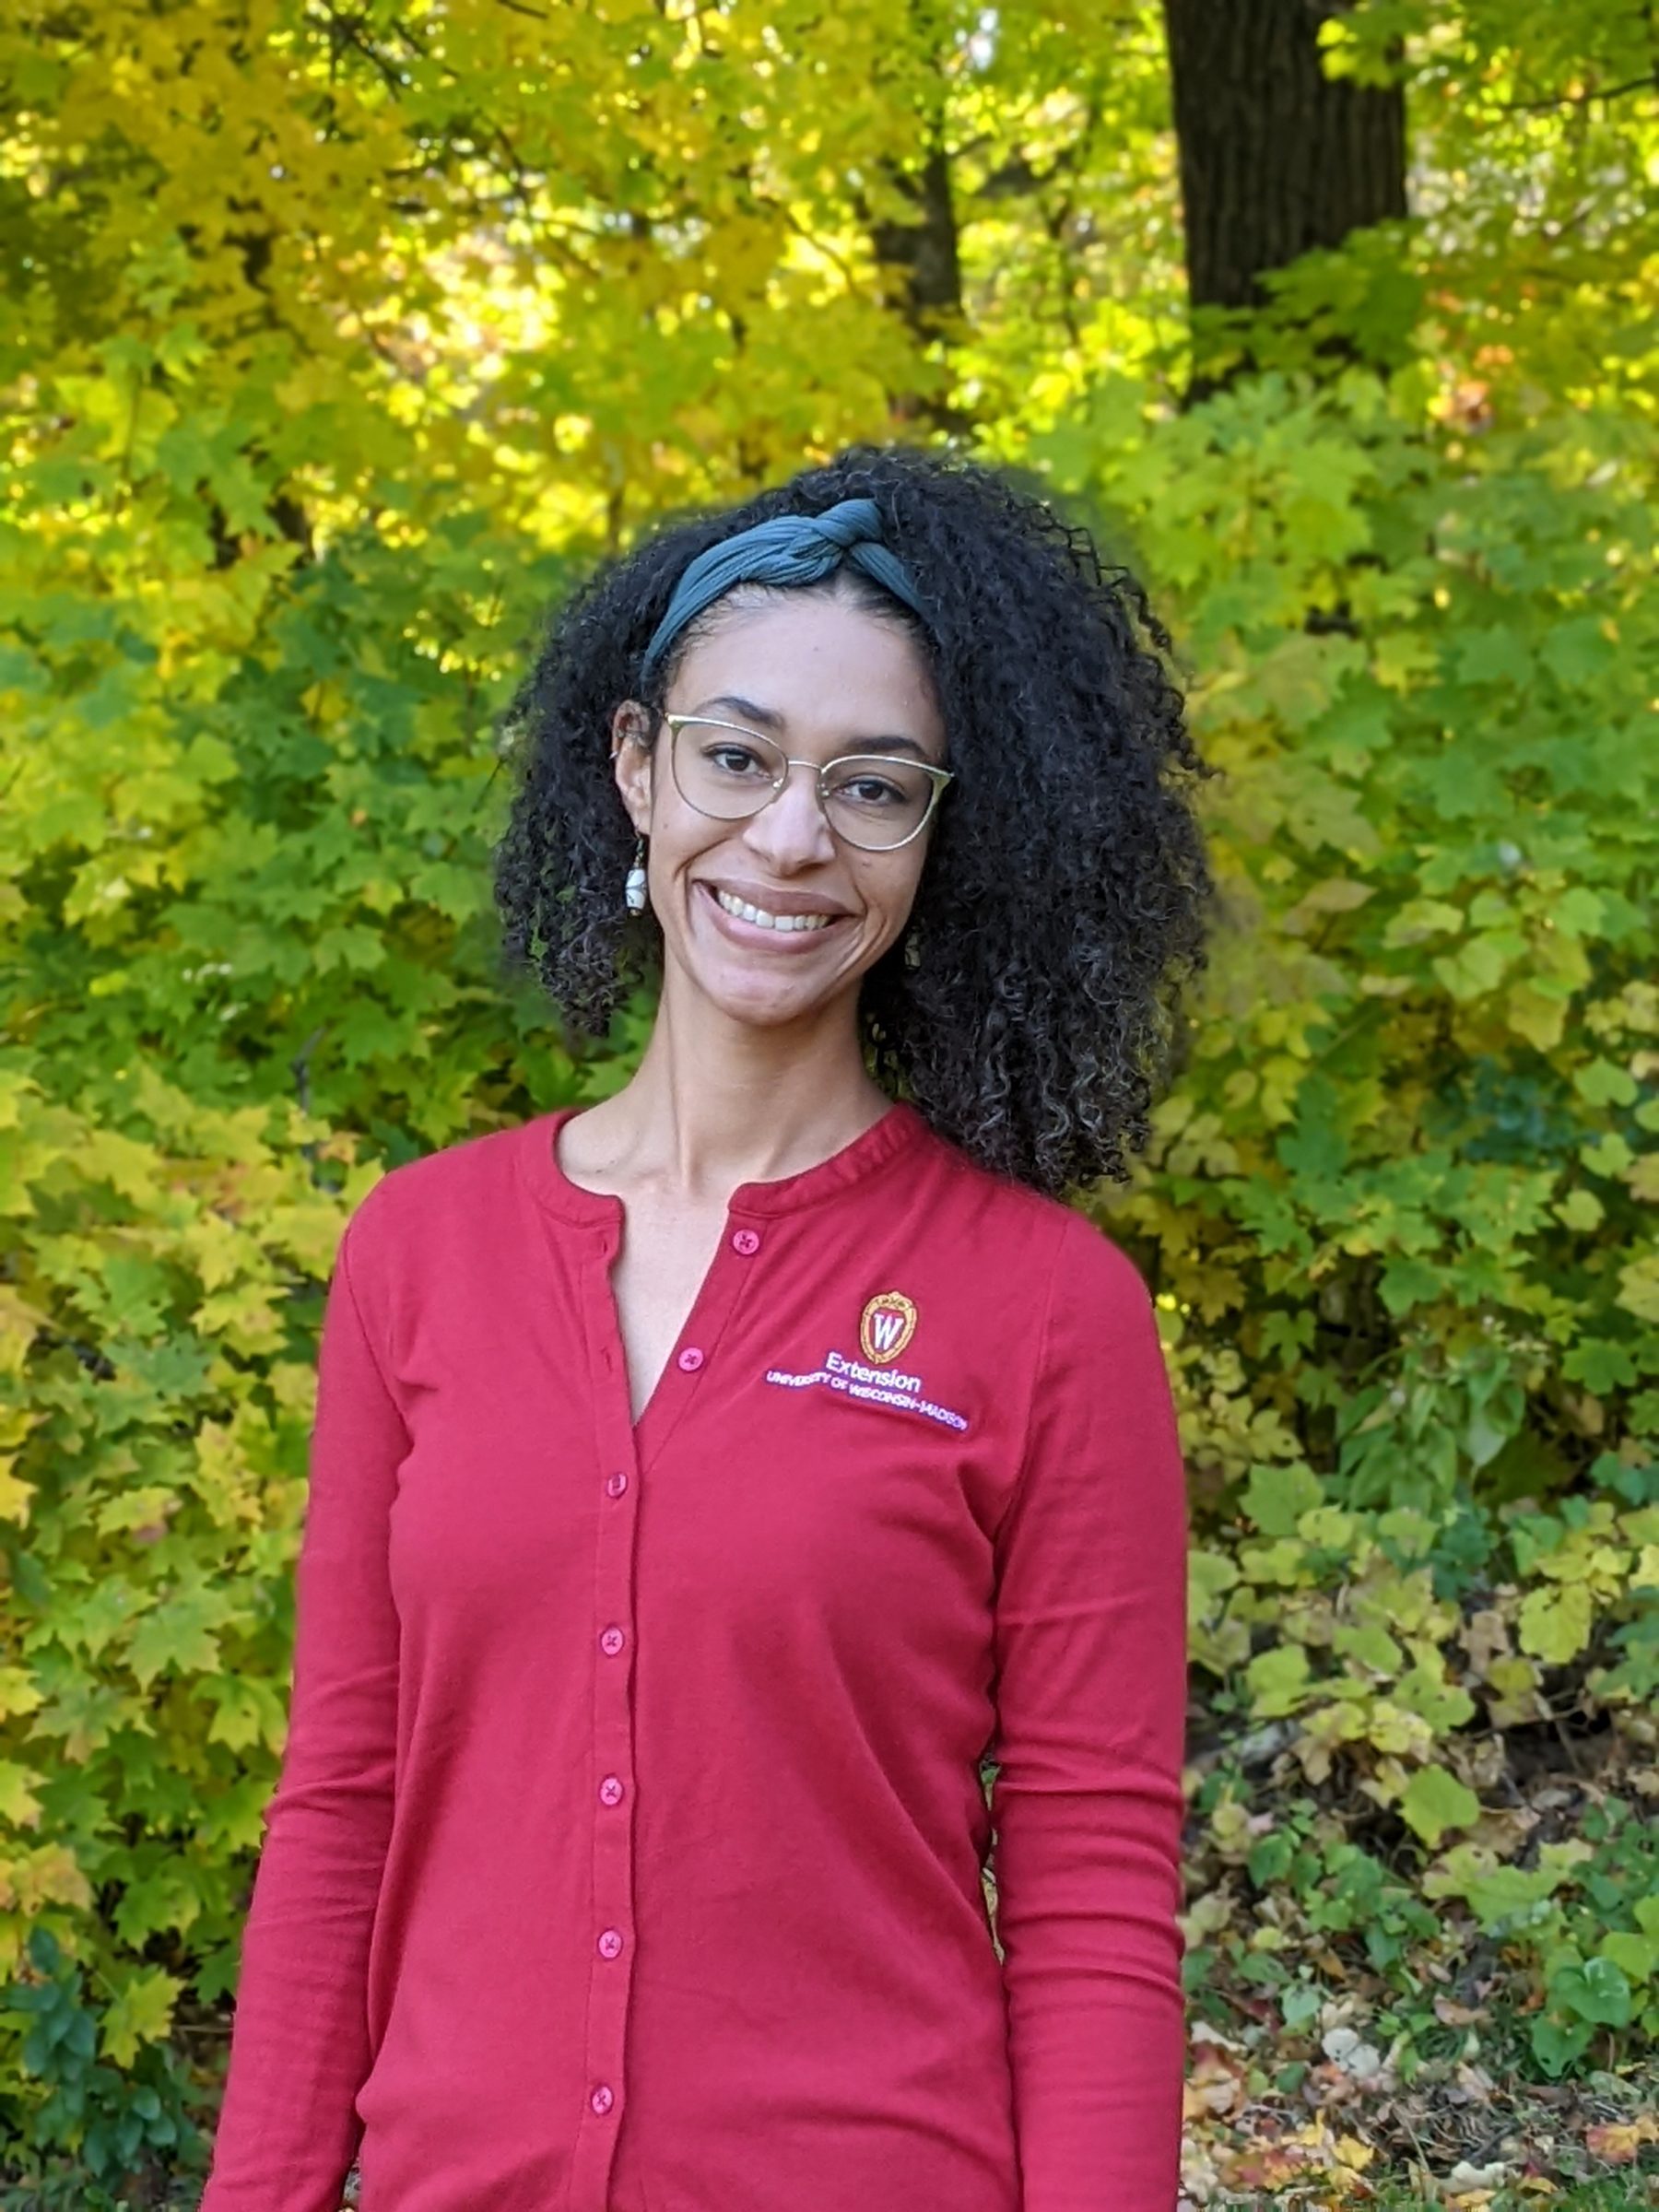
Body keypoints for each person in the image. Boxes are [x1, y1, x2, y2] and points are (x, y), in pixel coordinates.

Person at [198, 442, 1217, 2212]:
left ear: (942, 834)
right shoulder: (419, 1253)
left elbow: (1093, 1894)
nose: (792, 837)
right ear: (635, 767)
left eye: (873, 785)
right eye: (736, 757)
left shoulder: (1049, 1312)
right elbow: (343, 1803)